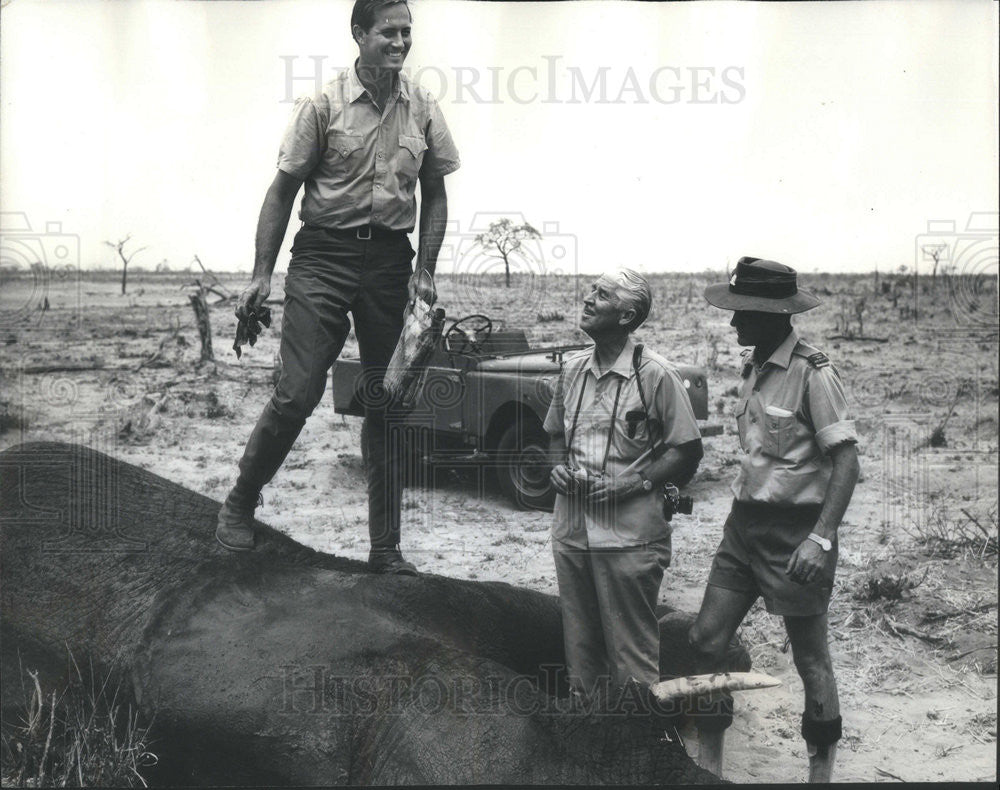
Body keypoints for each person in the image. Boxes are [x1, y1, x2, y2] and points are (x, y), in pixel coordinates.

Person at [215, 0, 460, 576]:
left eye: (407, 33)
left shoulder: (423, 107)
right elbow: (281, 193)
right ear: (358, 34)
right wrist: (260, 274)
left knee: (389, 403)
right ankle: (238, 505)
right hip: (322, 257)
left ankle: (385, 550)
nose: (400, 43)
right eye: (388, 33)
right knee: (297, 394)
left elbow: (436, 193)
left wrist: (423, 271)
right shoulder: (322, 104)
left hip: (390, 264)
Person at [691, 257, 860, 782]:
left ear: (773, 315)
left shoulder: (814, 373)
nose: (734, 322)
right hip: (743, 526)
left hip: (796, 533)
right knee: (705, 641)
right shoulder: (754, 368)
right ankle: (709, 765)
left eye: (743, 313)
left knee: (811, 660)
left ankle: (820, 772)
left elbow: (846, 461)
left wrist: (821, 538)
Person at [544, 269, 703, 704]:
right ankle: (590, 739)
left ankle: (640, 743)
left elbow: (686, 450)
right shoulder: (572, 369)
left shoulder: (655, 375)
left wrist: (631, 484)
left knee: (630, 658)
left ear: (627, 314)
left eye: (602, 294)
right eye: (591, 290)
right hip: (572, 531)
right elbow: (556, 437)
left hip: (630, 538)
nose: (588, 299)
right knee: (580, 649)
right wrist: (556, 469)